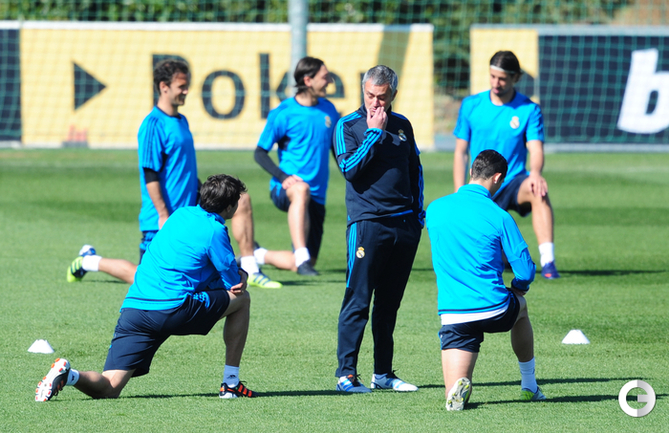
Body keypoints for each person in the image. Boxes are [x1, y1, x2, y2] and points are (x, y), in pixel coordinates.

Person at [37, 174, 258, 401]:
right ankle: (231, 383)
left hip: (135, 309)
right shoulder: (215, 230)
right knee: (242, 300)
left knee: (110, 387)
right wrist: (242, 273)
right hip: (172, 309)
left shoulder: (180, 214)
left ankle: (69, 374)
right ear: (229, 206)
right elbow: (234, 285)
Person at [66, 58, 282, 289]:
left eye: (187, 85)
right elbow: (150, 175)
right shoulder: (153, 124)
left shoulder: (182, 121)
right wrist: (163, 215)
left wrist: (206, 193)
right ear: (164, 87)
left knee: (240, 199)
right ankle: (89, 261)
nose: (186, 91)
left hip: (188, 212)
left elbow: (183, 168)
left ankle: (250, 267)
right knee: (146, 278)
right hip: (162, 218)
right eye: (182, 86)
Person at [426, 149, 545, 411]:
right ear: (497, 178)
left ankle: (458, 388)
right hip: (494, 308)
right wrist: (518, 289)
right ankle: (529, 385)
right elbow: (525, 271)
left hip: (453, 313)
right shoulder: (499, 215)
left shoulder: (435, 209)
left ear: (471, 172)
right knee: (521, 309)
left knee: (454, 391)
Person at [332, 65, 424, 393]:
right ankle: (346, 375)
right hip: (367, 224)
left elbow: (415, 170)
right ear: (363, 91)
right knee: (358, 300)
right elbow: (349, 169)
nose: (375, 103)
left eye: (382, 97)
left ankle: (383, 374)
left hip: (404, 225)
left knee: (388, 305)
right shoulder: (348, 125)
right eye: (370, 95)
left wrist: (417, 215)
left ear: (393, 94)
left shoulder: (403, 125)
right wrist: (373, 133)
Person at [453, 50, 560, 279]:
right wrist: (459, 190)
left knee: (538, 190)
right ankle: (505, 257)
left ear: (516, 78)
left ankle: (548, 262)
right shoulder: (471, 105)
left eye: (502, 78)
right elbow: (461, 152)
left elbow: (536, 148)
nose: (496, 83)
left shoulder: (529, 109)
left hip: (513, 180)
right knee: (492, 260)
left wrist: (536, 173)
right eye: (492, 76)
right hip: (482, 184)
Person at [254, 56, 340, 276]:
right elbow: (260, 153)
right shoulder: (283, 113)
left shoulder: (329, 110)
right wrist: (283, 177)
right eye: (325, 77)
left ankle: (256, 255)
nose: (329, 81)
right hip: (287, 188)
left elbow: (337, 150)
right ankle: (302, 255)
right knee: (301, 189)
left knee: (303, 262)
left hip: (318, 195)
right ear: (308, 80)